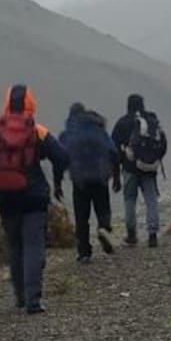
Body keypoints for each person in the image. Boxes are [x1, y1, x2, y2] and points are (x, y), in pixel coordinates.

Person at [0, 84, 69, 314]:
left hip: (5, 197)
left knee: (15, 245)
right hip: (34, 197)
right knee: (33, 246)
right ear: (30, 103)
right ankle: (33, 300)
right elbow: (62, 156)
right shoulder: (36, 130)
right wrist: (55, 174)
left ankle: (20, 296)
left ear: (7, 103)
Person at [59, 102, 121, 262]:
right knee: (102, 209)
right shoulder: (98, 129)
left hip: (80, 181)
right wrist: (116, 176)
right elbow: (113, 152)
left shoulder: (68, 133)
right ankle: (103, 229)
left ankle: (84, 252)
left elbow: (60, 157)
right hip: (100, 178)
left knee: (81, 217)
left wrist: (58, 181)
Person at [111, 94, 167, 248]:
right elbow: (163, 144)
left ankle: (131, 235)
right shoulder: (151, 121)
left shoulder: (122, 122)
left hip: (129, 168)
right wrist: (155, 160)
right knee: (151, 199)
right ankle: (153, 234)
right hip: (149, 169)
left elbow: (113, 149)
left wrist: (116, 174)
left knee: (130, 199)